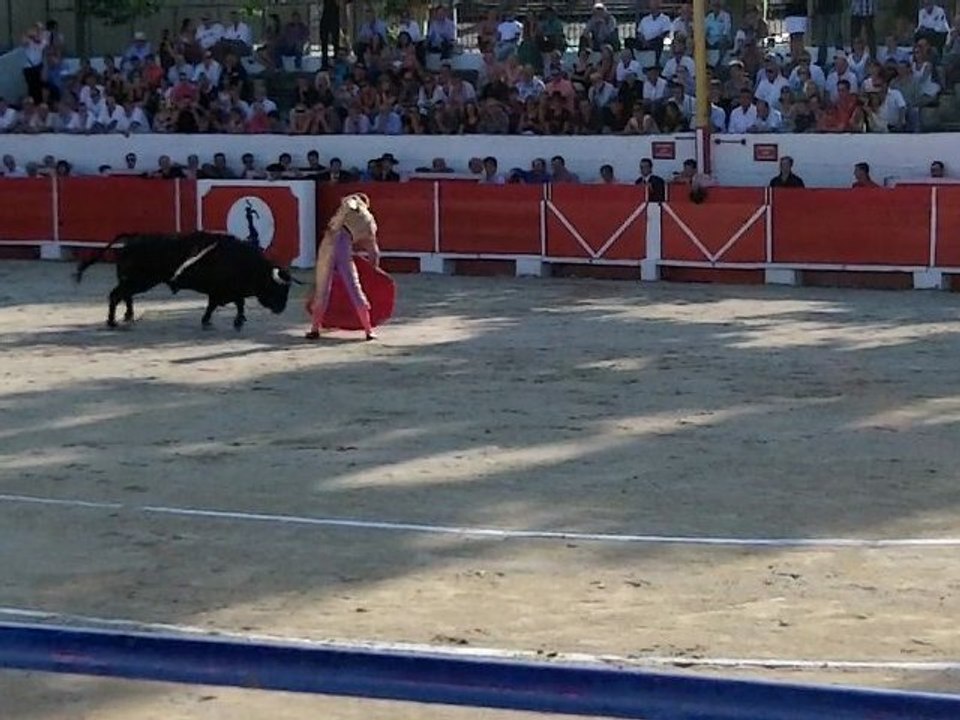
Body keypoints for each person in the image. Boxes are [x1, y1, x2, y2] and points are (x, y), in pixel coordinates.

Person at [305, 193, 384, 341]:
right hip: (344, 247)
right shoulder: (370, 223)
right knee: (354, 287)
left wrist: (336, 224)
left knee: (322, 289)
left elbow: (349, 204)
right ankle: (368, 330)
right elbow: (374, 252)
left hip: (330, 242)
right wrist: (373, 273)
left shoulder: (353, 202)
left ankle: (314, 329)